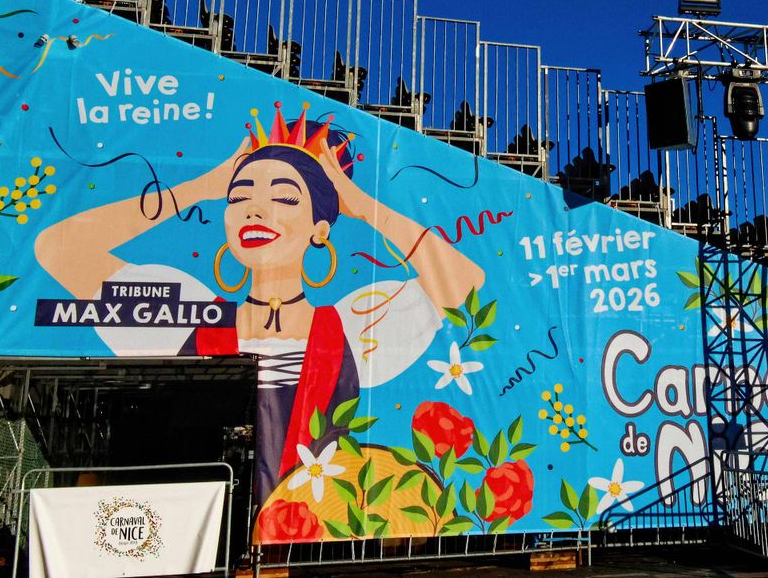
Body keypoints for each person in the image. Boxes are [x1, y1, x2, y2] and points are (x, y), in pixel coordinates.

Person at [35, 103, 484, 540]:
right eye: (239, 196)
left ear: (320, 228)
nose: (254, 210)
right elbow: (58, 248)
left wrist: (363, 206)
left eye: (284, 197)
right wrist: (198, 187)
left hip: (312, 528)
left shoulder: (354, 323)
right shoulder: (191, 311)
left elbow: (465, 283)